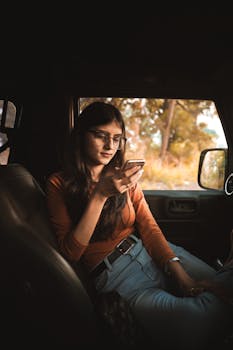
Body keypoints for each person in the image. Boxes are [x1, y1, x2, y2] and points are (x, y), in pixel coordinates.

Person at [46, 101, 233, 350]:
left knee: (224, 288)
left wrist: (178, 273)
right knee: (200, 319)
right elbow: (71, 253)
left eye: (116, 138)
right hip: (117, 278)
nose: (109, 146)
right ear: (81, 136)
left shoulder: (124, 176)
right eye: (100, 136)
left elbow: (149, 227)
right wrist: (100, 195)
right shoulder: (58, 184)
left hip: (151, 252)